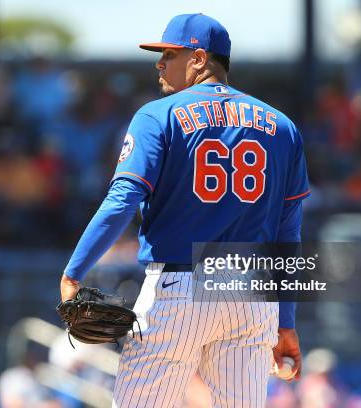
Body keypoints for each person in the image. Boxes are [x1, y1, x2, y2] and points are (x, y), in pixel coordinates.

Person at [59, 13, 309, 407]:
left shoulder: (157, 116)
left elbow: (123, 198)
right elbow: (289, 233)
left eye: (169, 54)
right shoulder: (282, 127)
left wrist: (75, 271)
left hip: (181, 288)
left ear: (198, 58)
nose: (159, 63)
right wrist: (287, 323)